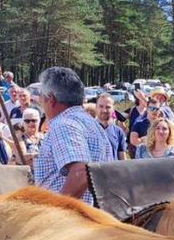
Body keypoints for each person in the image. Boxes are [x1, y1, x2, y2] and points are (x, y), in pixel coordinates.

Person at [32, 67, 114, 204]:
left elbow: (80, 172)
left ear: (50, 99)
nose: (40, 100)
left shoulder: (63, 125)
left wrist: (58, 212)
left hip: (63, 222)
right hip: (89, 217)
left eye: (41, 95)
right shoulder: (92, 125)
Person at [94, 94, 127, 160]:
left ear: (113, 109)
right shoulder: (87, 130)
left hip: (113, 169)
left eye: (108, 107)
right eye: (101, 106)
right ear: (96, 107)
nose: (104, 110)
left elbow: (122, 159)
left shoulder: (118, 131)